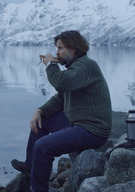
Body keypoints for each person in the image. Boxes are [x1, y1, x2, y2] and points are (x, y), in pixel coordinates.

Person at [11, 30, 112, 192]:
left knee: (43, 146)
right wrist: (40, 111)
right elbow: (61, 98)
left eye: (60, 48)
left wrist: (51, 64)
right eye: (56, 48)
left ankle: (38, 189)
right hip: (77, 122)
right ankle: (31, 165)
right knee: (41, 121)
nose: (57, 52)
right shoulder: (75, 68)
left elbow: (61, 84)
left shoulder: (86, 65)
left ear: (74, 49)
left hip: (92, 129)